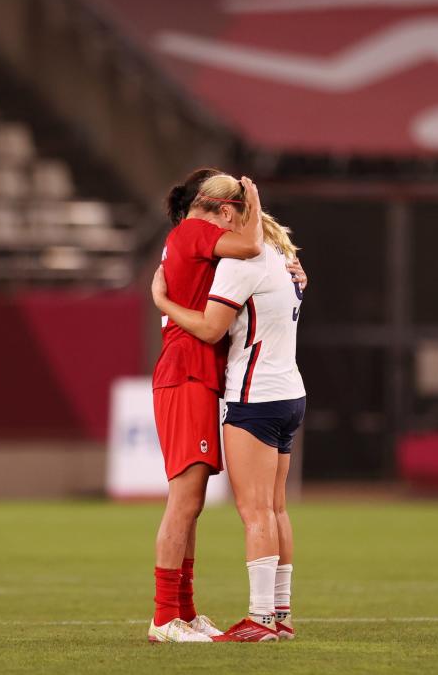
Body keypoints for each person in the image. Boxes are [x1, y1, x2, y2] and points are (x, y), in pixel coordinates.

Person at [151, 210, 305, 643]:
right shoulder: (281, 256)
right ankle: (280, 613)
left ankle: (260, 619)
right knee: (275, 509)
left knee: (254, 511)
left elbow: (211, 326)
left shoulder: (241, 263)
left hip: (255, 396)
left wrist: (163, 303)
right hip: (291, 393)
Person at [147, 169, 264, 643]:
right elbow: (252, 246)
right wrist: (253, 201)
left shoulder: (184, 235)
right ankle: (163, 618)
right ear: (222, 209)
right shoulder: (196, 231)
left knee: (189, 504)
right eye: (234, 213)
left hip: (190, 374)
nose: (235, 224)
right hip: (186, 373)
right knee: (184, 501)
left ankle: (184, 611)